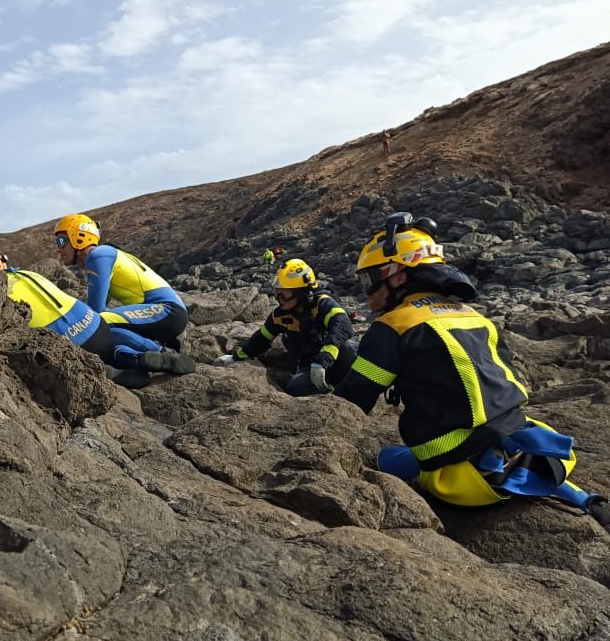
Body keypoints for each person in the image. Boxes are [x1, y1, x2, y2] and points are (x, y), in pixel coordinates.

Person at [333, 212, 610, 531]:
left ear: (397, 276)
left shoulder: (393, 326)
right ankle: (586, 499)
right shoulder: (473, 316)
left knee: (386, 458)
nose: (367, 292)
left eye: (369, 280)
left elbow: (352, 401)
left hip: (462, 481)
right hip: (536, 457)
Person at [0, 251, 151, 389]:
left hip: (71, 344)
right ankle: (134, 357)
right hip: (96, 326)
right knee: (106, 349)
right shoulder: (28, 274)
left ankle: (105, 373)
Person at [54, 214, 195, 375]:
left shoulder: (98, 255)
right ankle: (138, 361)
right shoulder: (104, 256)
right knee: (104, 333)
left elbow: (95, 313)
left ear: (79, 237)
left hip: (168, 311)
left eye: (61, 241)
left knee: (96, 326)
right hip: (165, 316)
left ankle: (164, 353)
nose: (58, 248)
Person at [213, 258, 358, 396]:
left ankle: (347, 387)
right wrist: (235, 358)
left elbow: (342, 324)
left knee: (347, 347)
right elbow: (261, 339)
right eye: (278, 293)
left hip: (335, 362)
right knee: (295, 387)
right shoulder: (280, 316)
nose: (279, 298)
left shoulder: (323, 305)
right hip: (310, 367)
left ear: (302, 292)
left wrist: (324, 358)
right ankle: (332, 392)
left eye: (285, 293)